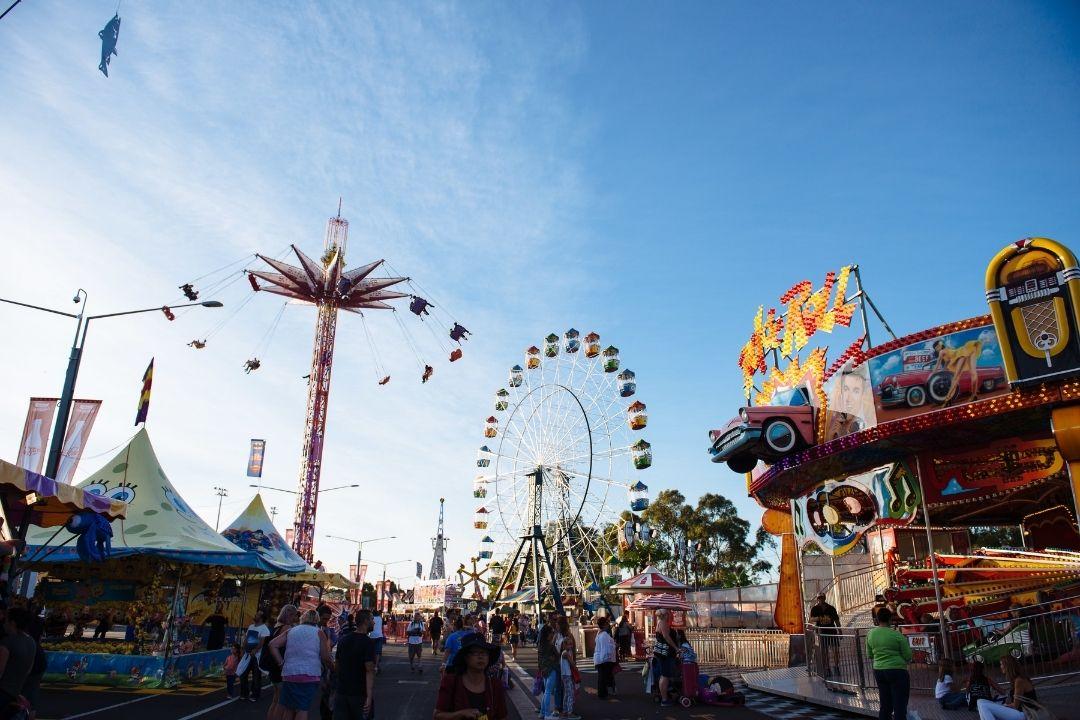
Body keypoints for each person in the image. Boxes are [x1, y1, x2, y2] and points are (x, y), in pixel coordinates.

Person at [269, 609, 331, 720]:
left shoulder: (291, 631)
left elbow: (273, 644)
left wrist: (281, 663)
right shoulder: (319, 632)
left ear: (303, 618)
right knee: (302, 708)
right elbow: (325, 657)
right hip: (309, 675)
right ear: (316, 619)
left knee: (288, 707)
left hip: (289, 673)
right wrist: (332, 667)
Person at [434, 635, 508, 720]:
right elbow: (437, 715)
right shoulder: (451, 681)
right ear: (465, 657)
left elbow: (502, 716)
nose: (481, 657)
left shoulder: (495, 685)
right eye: (475, 652)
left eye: (484, 653)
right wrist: (461, 714)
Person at [865, 608, 912, 720]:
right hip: (897, 671)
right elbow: (908, 656)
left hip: (879, 671)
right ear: (890, 619)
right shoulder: (896, 635)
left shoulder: (870, 634)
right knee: (899, 704)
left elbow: (869, 655)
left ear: (877, 619)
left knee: (885, 705)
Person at [333, 610, 376, 720]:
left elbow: (337, 665)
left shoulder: (343, 640)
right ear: (366, 621)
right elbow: (369, 670)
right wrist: (369, 696)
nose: (374, 622)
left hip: (342, 692)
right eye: (372, 619)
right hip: (359, 694)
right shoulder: (368, 643)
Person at [265, 605, 300, 720]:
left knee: (275, 699)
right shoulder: (287, 628)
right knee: (282, 703)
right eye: (295, 615)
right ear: (290, 615)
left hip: (273, 666)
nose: (296, 618)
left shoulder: (277, 626)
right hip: (281, 666)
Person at [0, 608, 37, 712]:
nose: (4, 623)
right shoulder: (31, 642)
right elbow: (28, 670)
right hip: (16, 691)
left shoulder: (7, 642)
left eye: (6, 620)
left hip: (3, 689)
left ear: (12, 623)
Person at [241, 611, 271, 702]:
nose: (255, 615)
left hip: (257, 656)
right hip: (247, 654)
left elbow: (262, 642)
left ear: (261, 618)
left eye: (257, 614)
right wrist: (243, 648)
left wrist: (255, 650)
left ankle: (255, 694)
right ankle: (244, 693)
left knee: (256, 676)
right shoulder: (251, 626)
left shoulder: (264, 629)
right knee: (243, 674)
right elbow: (246, 638)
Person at [810, 593, 841, 677]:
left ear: (825, 598)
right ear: (817, 599)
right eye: (819, 598)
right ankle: (827, 668)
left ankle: (836, 667)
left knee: (835, 651)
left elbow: (836, 620)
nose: (821, 599)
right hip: (821, 633)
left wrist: (840, 630)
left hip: (832, 632)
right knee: (824, 651)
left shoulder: (831, 608)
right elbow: (811, 618)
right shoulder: (815, 609)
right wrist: (818, 618)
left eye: (822, 598)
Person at [652, 608, 679, 707]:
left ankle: (664, 697)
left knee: (664, 675)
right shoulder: (663, 623)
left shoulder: (660, 622)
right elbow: (667, 637)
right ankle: (664, 699)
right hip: (665, 653)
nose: (669, 614)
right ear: (665, 615)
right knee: (665, 675)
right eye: (668, 613)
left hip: (662, 653)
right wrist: (676, 648)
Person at [554, 616, 579, 719]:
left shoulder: (568, 636)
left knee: (566, 691)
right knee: (568, 691)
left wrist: (573, 664)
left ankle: (565, 710)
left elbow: (572, 652)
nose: (556, 625)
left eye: (557, 624)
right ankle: (568, 711)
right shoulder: (558, 635)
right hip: (563, 667)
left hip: (564, 668)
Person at [537, 625, 560, 720]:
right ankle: (547, 714)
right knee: (548, 692)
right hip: (551, 669)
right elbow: (558, 656)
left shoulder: (541, 644)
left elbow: (539, 659)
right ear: (548, 634)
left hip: (544, 670)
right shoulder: (550, 645)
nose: (553, 634)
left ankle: (542, 713)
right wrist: (553, 659)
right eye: (552, 632)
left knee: (546, 691)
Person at [593, 616, 617, 700]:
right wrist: (606, 658)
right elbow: (605, 648)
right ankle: (602, 693)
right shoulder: (604, 635)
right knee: (603, 677)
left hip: (600, 658)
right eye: (607, 623)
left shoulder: (600, 633)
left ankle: (603, 692)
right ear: (604, 625)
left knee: (602, 677)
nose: (608, 625)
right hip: (604, 659)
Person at [368, 609, 385, 675]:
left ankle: (373, 664)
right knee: (378, 652)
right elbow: (382, 626)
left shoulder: (371, 619)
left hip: (371, 636)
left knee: (371, 651)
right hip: (379, 636)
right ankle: (376, 666)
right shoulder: (380, 618)